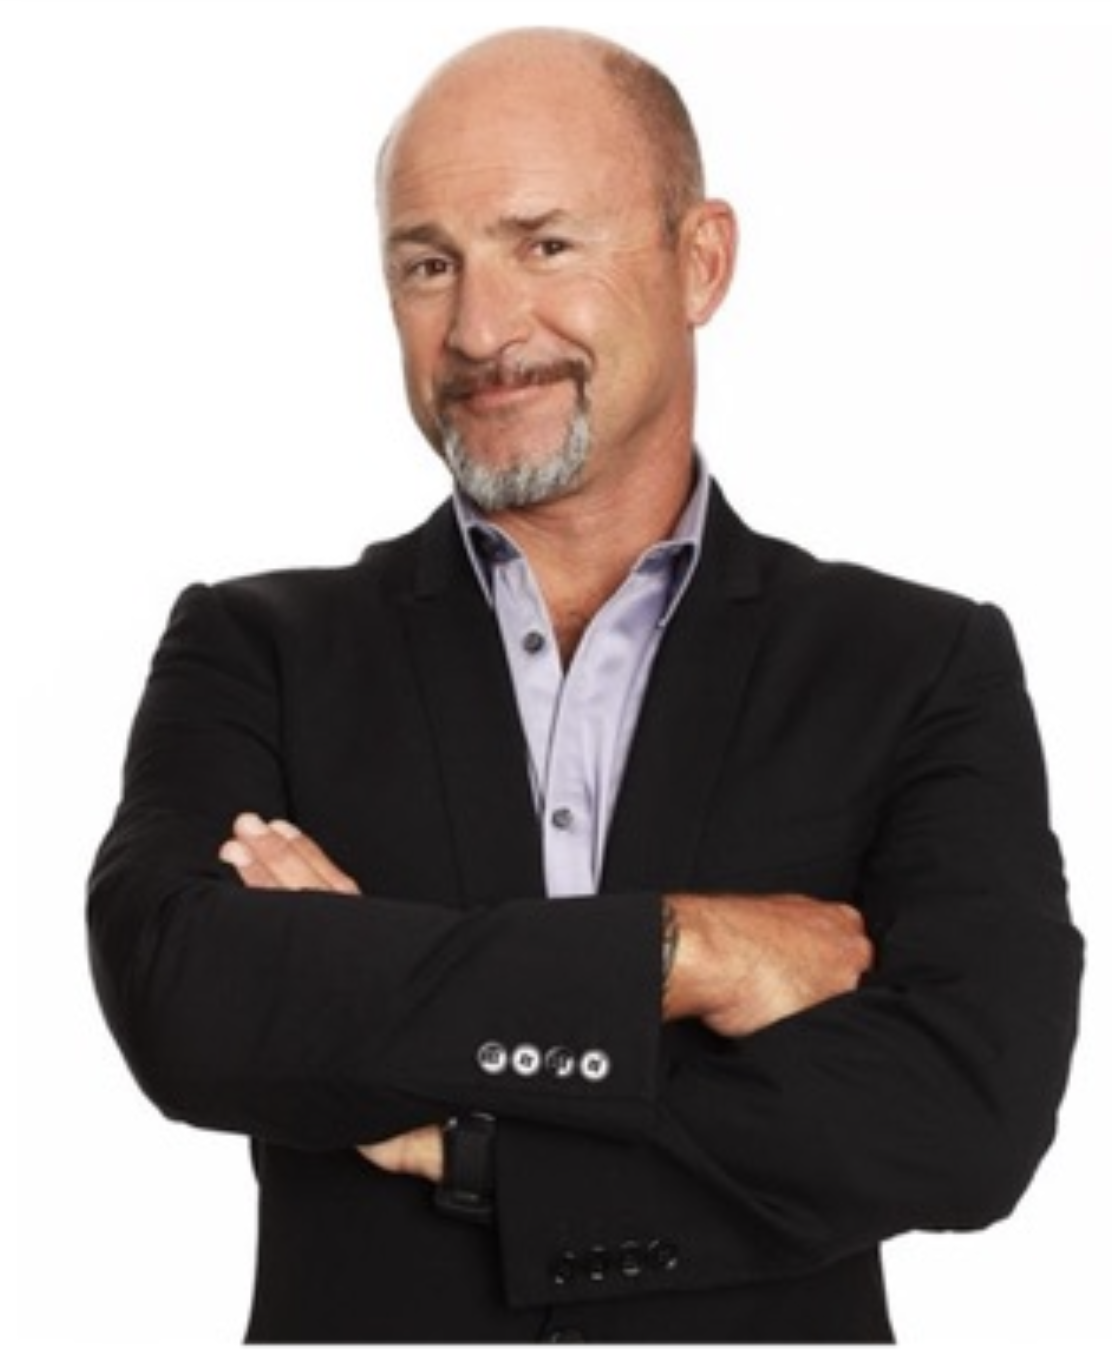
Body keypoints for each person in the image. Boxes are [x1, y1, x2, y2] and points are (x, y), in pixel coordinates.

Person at [88, 25, 1083, 1344]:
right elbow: (187, 1002)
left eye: (545, 244)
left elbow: (965, 1116)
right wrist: (684, 951)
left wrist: (468, 1135)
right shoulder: (255, 647)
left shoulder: (916, 665)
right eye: (429, 264)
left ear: (701, 260)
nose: (481, 330)